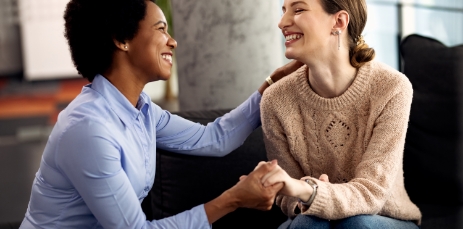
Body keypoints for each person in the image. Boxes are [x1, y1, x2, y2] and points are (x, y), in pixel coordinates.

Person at [19, 0, 304, 228]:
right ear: (122, 39)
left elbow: (215, 138)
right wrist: (233, 199)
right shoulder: (88, 130)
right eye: (160, 29)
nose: (172, 41)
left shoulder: (140, 109)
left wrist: (269, 85)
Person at [258, 0, 422, 228]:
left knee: (357, 224)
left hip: (383, 218)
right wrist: (306, 196)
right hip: (311, 219)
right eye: (283, 11)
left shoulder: (391, 88)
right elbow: (287, 196)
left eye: (298, 10)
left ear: (339, 21)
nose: (282, 22)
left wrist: (311, 190)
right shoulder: (275, 100)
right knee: (308, 224)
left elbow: (371, 193)